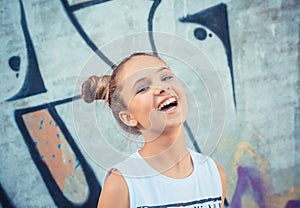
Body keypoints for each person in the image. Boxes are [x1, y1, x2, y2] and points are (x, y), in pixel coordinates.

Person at [82, 52, 226, 208]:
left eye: (165, 77)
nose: (162, 88)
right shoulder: (122, 184)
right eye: (142, 88)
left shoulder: (214, 173)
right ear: (128, 117)